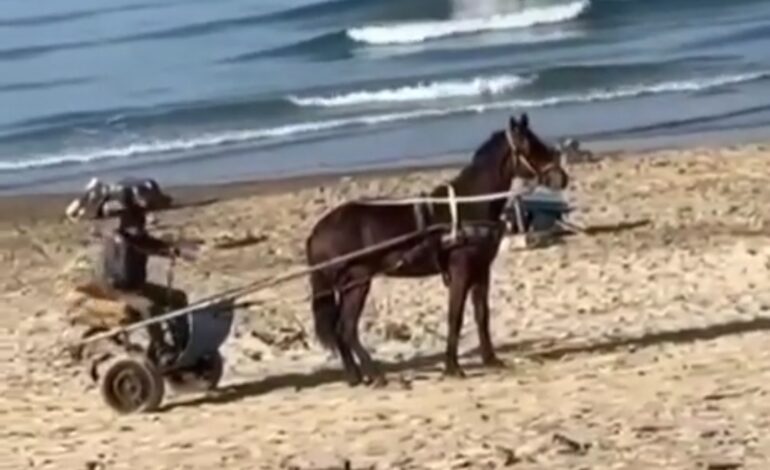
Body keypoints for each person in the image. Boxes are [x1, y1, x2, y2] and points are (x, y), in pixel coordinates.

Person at [97, 187, 192, 364]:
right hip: (118, 290)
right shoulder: (120, 238)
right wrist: (165, 250)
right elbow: (144, 246)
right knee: (150, 307)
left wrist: (172, 250)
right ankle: (161, 350)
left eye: (142, 222)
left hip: (138, 286)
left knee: (178, 298)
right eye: (138, 222)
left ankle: (182, 342)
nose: (142, 225)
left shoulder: (136, 236)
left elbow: (150, 243)